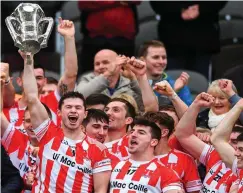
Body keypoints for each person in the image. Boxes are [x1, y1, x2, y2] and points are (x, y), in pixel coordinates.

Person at [21, 49, 111, 192]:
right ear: (59, 113)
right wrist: (28, 60)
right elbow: (32, 96)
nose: (73, 110)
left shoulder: (99, 149)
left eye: (78, 108)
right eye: (68, 107)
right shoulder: (47, 132)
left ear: (85, 114)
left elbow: (100, 190)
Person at [3, 18, 78, 127]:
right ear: (19, 81)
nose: (33, 81)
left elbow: (71, 75)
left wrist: (69, 38)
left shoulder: (53, 101)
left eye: (38, 78)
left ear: (44, 81)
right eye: (30, 77)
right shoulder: (8, 104)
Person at [150, 2, 227, 79]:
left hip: (204, 40)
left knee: (201, 83)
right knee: (172, 83)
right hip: (172, 41)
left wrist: (200, 8)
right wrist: (180, 10)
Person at [110, 117, 185, 193]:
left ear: (153, 142)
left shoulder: (166, 172)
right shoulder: (114, 165)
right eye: (132, 131)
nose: (133, 135)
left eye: (141, 132)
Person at [144, 111, 202, 193]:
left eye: (150, 129)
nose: (144, 133)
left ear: (164, 132)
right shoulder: (134, 157)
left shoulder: (185, 159)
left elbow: (194, 191)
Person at [78, 1, 140, 74]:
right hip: (94, 38)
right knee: (90, 76)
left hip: (124, 38)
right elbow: (83, 3)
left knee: (125, 75)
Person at [138, 40, 193, 106]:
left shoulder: (178, 86)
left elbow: (189, 114)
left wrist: (174, 92)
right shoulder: (132, 83)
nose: (161, 62)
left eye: (164, 57)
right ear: (142, 60)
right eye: (156, 57)